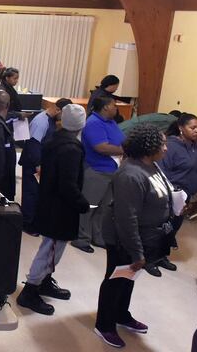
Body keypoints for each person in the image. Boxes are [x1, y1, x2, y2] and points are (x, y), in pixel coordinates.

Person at [94, 124, 172, 349]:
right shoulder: (130, 174)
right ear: (149, 147)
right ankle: (104, 325)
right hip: (124, 237)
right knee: (116, 280)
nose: (166, 148)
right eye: (163, 143)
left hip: (145, 235)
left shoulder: (152, 165)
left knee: (128, 279)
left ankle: (121, 314)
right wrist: (137, 252)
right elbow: (127, 219)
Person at [17, 104, 89, 316]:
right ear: (81, 124)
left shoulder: (53, 139)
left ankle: (45, 282)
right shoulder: (71, 148)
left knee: (51, 248)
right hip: (60, 209)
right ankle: (30, 291)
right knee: (50, 250)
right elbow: (67, 184)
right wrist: (81, 203)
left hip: (48, 203)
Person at [72, 96, 125, 254]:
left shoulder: (111, 122)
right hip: (96, 170)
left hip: (111, 170)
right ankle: (81, 238)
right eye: (114, 105)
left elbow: (120, 140)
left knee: (103, 207)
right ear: (105, 108)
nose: (116, 108)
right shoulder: (93, 123)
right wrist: (125, 150)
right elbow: (101, 147)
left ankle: (98, 236)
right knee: (89, 205)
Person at [155, 113, 197, 275]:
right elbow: (162, 171)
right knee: (161, 227)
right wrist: (172, 194)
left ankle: (161, 255)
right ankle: (149, 258)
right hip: (170, 194)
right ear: (181, 128)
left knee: (174, 227)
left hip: (185, 195)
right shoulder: (171, 146)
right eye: (192, 128)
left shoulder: (195, 146)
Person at [18, 98, 72, 234]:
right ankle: (27, 223)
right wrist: (38, 165)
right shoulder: (41, 121)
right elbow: (33, 144)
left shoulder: (51, 120)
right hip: (34, 163)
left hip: (42, 162)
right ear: (58, 110)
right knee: (31, 193)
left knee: (38, 194)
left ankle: (35, 220)